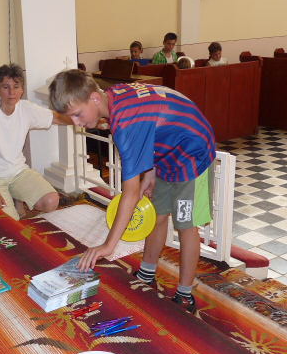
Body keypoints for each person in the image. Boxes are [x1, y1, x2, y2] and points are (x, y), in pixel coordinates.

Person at [49, 70, 216, 313]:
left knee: (186, 225)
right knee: (157, 215)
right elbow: (155, 119)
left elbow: (130, 194)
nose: (76, 123)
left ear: (94, 98)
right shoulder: (112, 96)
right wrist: (150, 170)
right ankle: (147, 273)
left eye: (77, 114)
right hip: (167, 152)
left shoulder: (126, 125)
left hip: (193, 153)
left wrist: (108, 245)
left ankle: (185, 293)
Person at [0, 63, 70, 220]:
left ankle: (15, 197)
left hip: (17, 172)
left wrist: (85, 119)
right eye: (6, 87)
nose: (11, 92)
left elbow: (56, 118)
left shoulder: (26, 108)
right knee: (10, 222)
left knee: (51, 200)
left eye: (16, 87)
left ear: (22, 89)